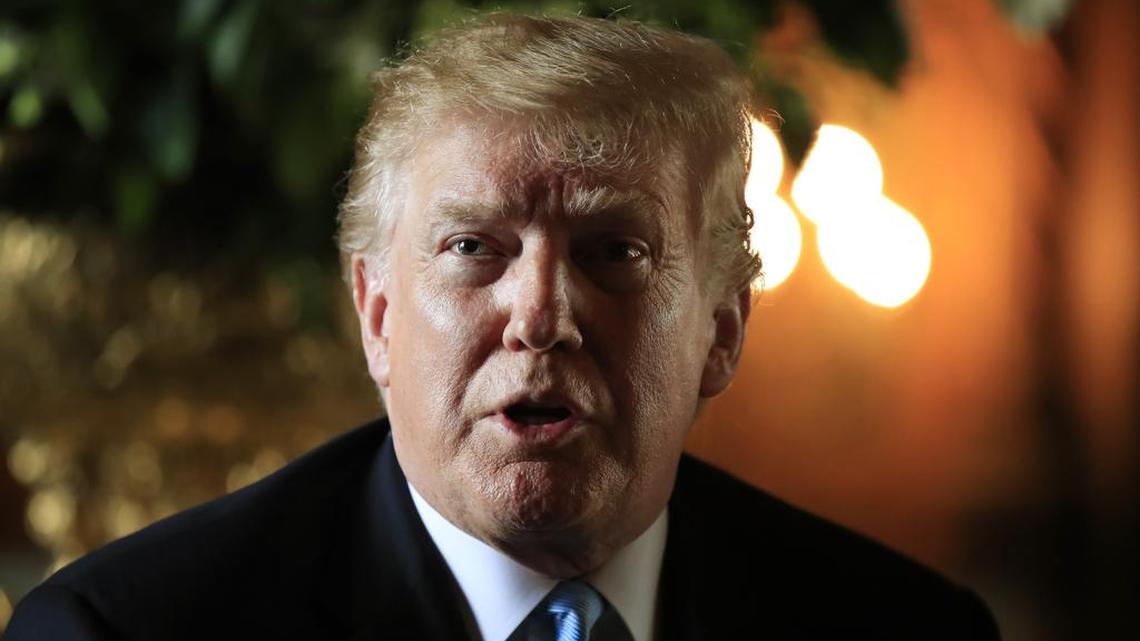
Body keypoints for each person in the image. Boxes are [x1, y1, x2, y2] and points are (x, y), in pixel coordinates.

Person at [6, 13, 1000, 641]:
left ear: (723, 330)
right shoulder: (124, 629)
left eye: (616, 251)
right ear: (379, 315)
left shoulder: (906, 626)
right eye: (475, 247)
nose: (541, 316)